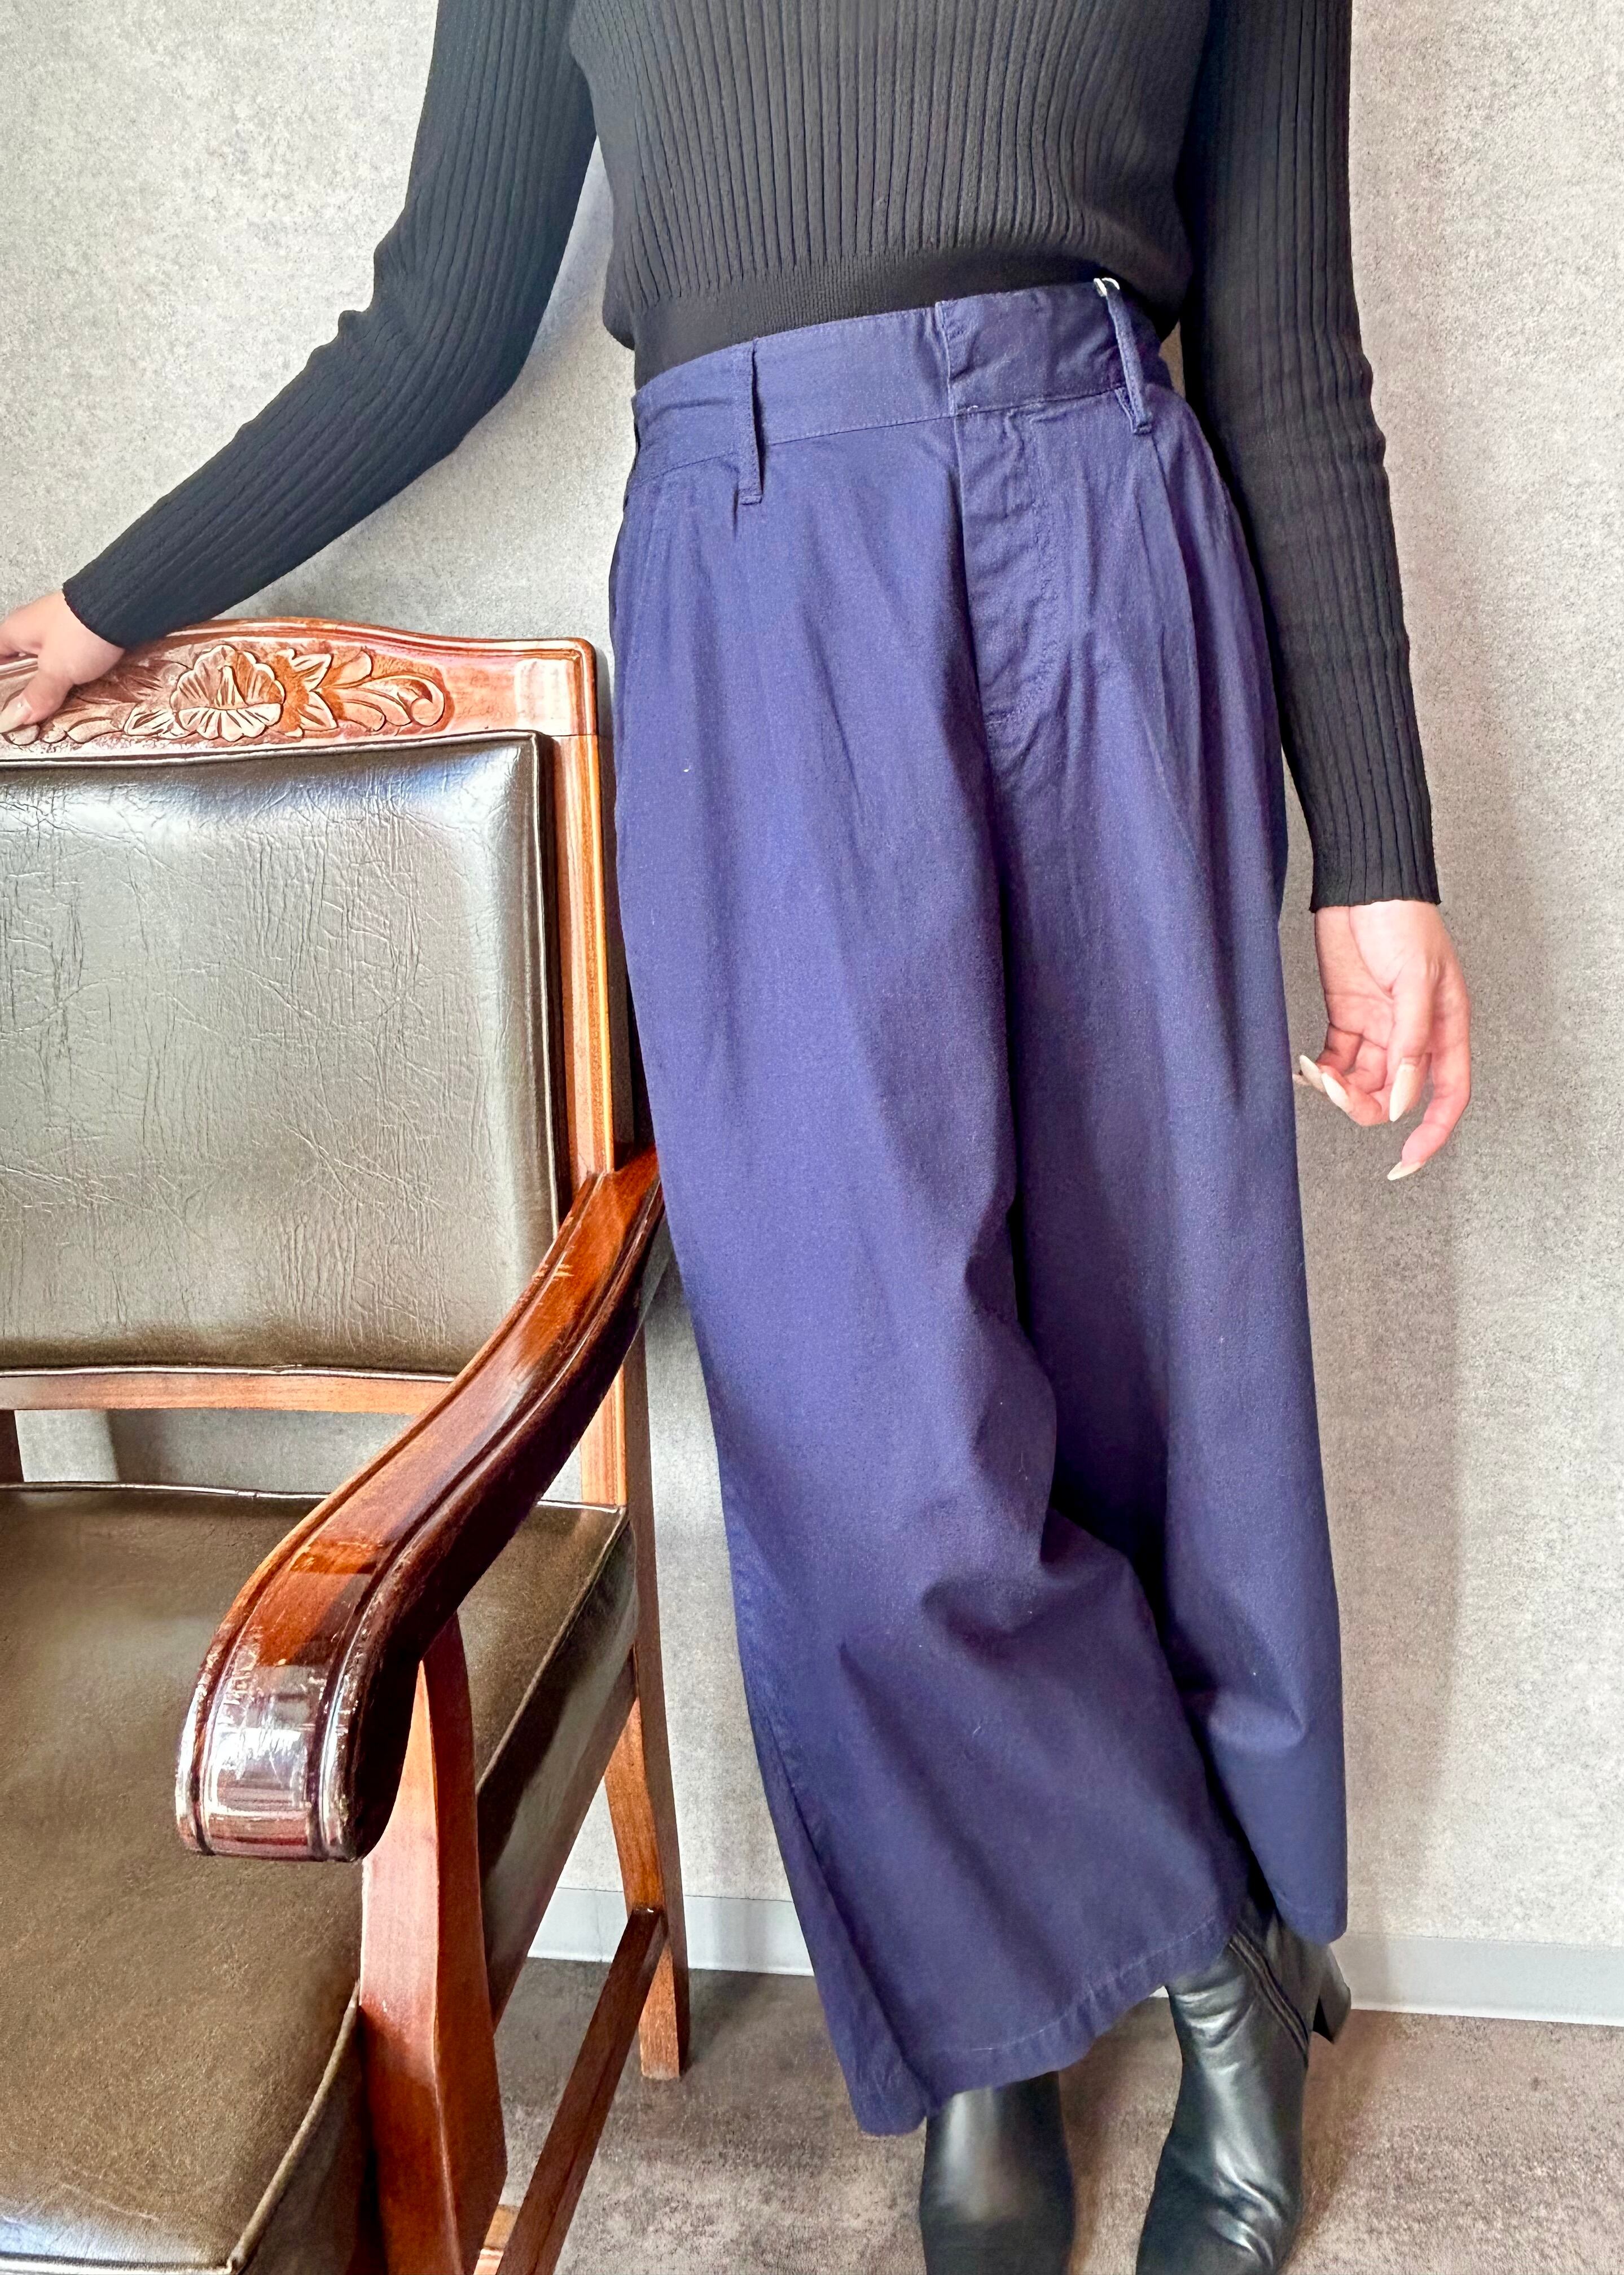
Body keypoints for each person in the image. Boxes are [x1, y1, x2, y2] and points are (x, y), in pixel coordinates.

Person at [2, 1, 1471, 2268]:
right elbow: (440, 320)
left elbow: (1285, 336)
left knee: (1163, 1344)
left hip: (1105, 522)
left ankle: (1110, 2000)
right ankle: (1167, 1963)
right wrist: (112, 600)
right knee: (865, 1418)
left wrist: (1377, 853)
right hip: (757, 568)